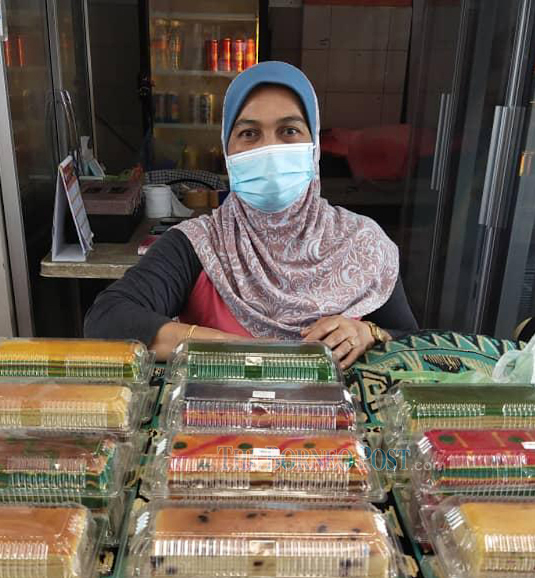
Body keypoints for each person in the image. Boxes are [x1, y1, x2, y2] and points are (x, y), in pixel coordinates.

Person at [84, 61, 417, 366]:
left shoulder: (361, 242)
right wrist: (235, 348)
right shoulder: (201, 244)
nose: (268, 150)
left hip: (335, 425)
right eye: (249, 133)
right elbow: (108, 319)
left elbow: (413, 342)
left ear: (313, 146)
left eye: (289, 131)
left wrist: (369, 333)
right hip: (218, 422)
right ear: (227, 152)